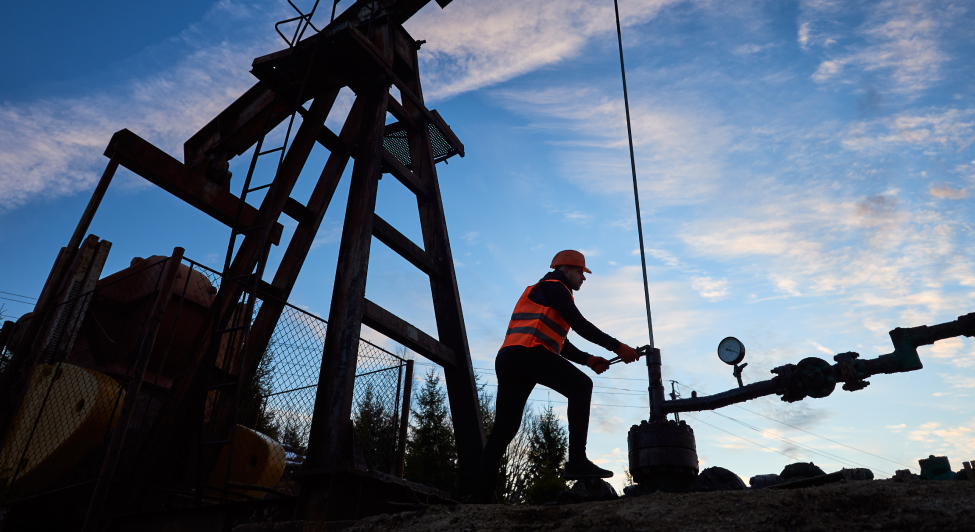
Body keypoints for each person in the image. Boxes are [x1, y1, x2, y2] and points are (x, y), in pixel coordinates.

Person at [477, 250, 640, 500]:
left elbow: (558, 340)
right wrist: (617, 346)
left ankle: (480, 493)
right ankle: (576, 460)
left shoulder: (546, 293)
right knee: (581, 387)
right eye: (580, 272)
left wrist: (588, 359)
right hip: (529, 354)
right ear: (565, 270)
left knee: (504, 429)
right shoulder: (555, 287)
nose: (583, 278)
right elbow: (579, 324)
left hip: (511, 358)